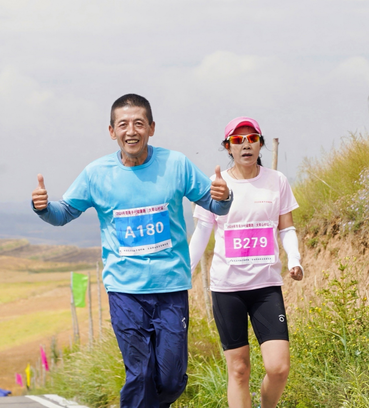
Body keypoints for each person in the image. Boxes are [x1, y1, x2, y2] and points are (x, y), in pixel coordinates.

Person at [31, 93, 232, 408]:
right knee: (139, 373)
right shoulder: (97, 174)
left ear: (152, 127)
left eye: (139, 123)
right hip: (124, 290)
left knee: (170, 378)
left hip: (171, 289)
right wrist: (43, 208)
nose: (131, 131)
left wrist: (224, 197)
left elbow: (215, 204)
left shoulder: (176, 164)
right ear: (112, 132)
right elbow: (64, 213)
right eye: (123, 124)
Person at [189, 116, 303, 408]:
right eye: (238, 141)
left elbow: (286, 228)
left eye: (252, 138)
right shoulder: (217, 185)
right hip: (227, 289)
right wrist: (185, 273)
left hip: (266, 287)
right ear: (228, 148)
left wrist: (295, 259)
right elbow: (203, 232)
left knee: (278, 368)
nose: (246, 145)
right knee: (239, 369)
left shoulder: (276, 181)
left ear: (261, 144)